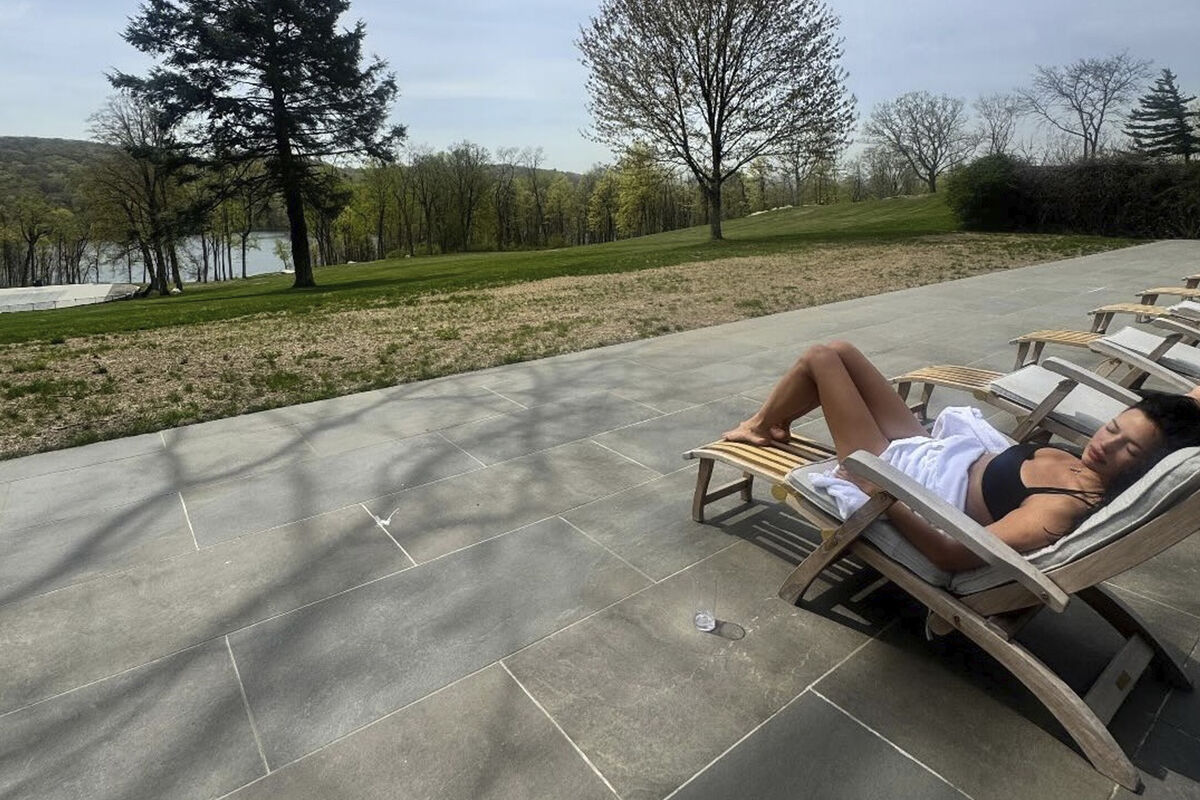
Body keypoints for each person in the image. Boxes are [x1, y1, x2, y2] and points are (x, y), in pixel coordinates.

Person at [723, 341, 1200, 572]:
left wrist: (880, 491)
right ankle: (770, 423)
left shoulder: (1059, 508)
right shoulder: (1090, 466)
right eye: (1113, 427)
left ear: (1147, 465)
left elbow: (953, 555)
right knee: (841, 351)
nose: (1104, 442)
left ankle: (763, 425)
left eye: (1126, 447)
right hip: (929, 450)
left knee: (821, 359)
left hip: (900, 473)